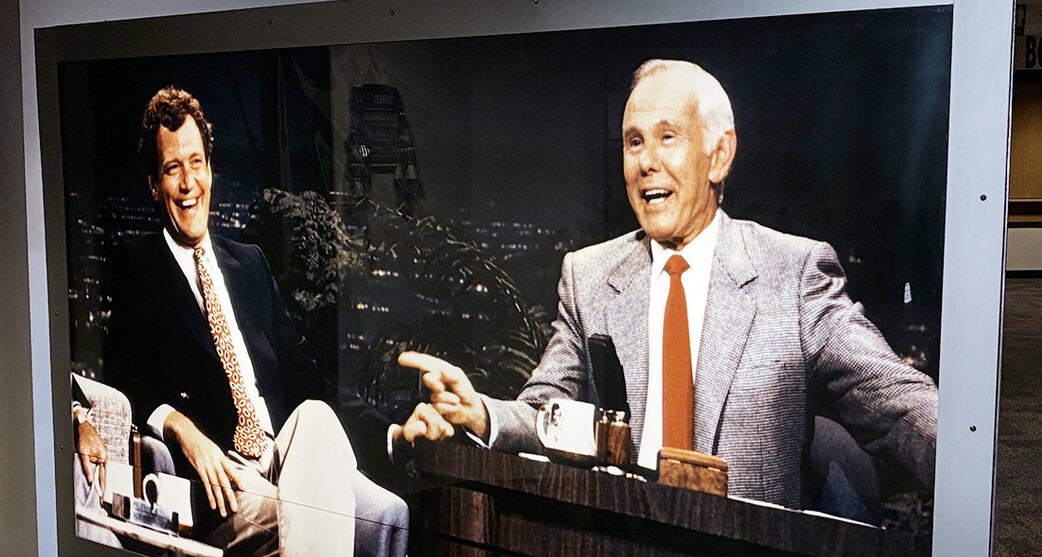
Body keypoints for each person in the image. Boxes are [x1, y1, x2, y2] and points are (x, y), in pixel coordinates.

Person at [395, 60, 938, 511]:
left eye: (667, 138)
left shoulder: (792, 275)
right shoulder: (589, 277)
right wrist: (480, 412)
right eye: (633, 142)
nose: (646, 162)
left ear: (719, 156)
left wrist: (971, 469)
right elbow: (548, 409)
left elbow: (897, 404)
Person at [104, 86, 355, 557]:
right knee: (316, 519)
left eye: (197, 163)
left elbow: (307, 374)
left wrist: (393, 431)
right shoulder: (138, 270)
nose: (188, 183)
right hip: (221, 477)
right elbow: (123, 379)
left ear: (212, 170)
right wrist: (181, 427)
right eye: (173, 169)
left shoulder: (250, 264)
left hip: (280, 455)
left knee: (318, 416)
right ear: (154, 185)